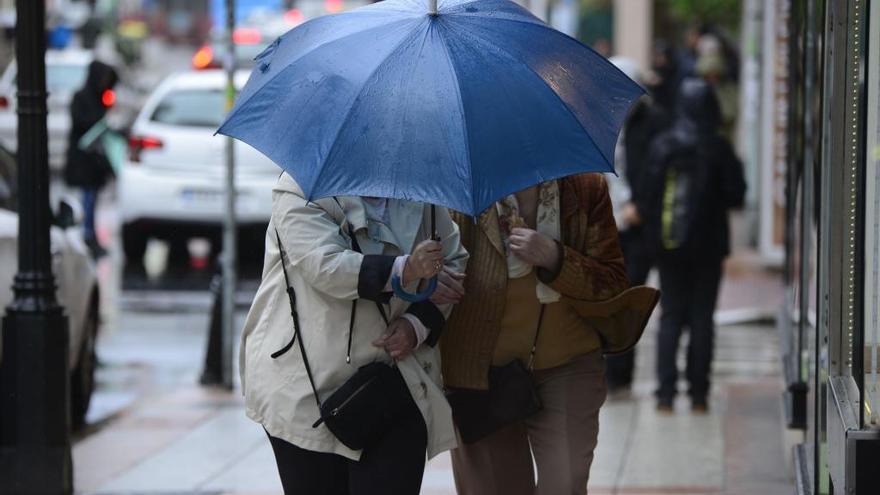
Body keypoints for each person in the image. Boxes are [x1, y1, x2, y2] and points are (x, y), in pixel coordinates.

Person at [239, 173, 468, 495]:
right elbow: (326, 266)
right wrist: (409, 270)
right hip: (308, 387)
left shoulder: (420, 188)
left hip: (397, 380)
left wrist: (417, 324)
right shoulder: (299, 186)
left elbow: (454, 262)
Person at [438, 174, 629, 494]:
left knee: (565, 482)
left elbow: (612, 282)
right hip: (479, 373)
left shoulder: (585, 188)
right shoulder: (456, 189)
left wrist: (555, 257)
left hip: (568, 363)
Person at [636, 79, 746, 413]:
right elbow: (736, 195)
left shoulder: (664, 144)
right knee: (702, 317)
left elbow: (647, 196)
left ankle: (665, 394)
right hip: (709, 247)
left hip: (669, 245)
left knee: (670, 316)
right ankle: (699, 394)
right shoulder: (719, 147)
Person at [604, 57, 668, 396]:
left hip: (637, 224)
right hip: (608, 220)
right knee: (607, 296)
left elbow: (655, 171)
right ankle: (609, 368)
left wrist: (640, 207)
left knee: (630, 297)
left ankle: (620, 372)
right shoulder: (598, 118)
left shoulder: (653, 122)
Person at [64, 60, 118, 258]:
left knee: (92, 199)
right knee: (86, 199)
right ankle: (86, 236)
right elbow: (80, 122)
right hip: (82, 161)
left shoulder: (100, 98)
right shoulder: (81, 98)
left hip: (94, 162)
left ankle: (90, 234)